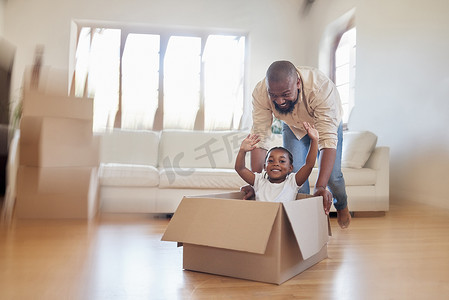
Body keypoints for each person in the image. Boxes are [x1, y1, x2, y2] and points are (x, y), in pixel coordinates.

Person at [242, 60, 351, 228]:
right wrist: (256, 184)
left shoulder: (320, 87)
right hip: (293, 126)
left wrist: (321, 186)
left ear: (298, 83)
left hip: (325, 124)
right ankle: (302, 227)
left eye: (285, 94)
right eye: (274, 96)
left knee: (333, 177)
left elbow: (328, 140)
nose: (279, 101)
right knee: (295, 177)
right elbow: (259, 137)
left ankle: (342, 205)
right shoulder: (261, 92)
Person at [235, 122, 318, 202]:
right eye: (270, 161)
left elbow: (309, 165)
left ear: (290, 168)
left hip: (282, 216)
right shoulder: (259, 181)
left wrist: (314, 141)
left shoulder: (292, 182)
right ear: (265, 167)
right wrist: (242, 151)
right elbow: (240, 169)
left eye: (282, 161)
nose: (276, 164)